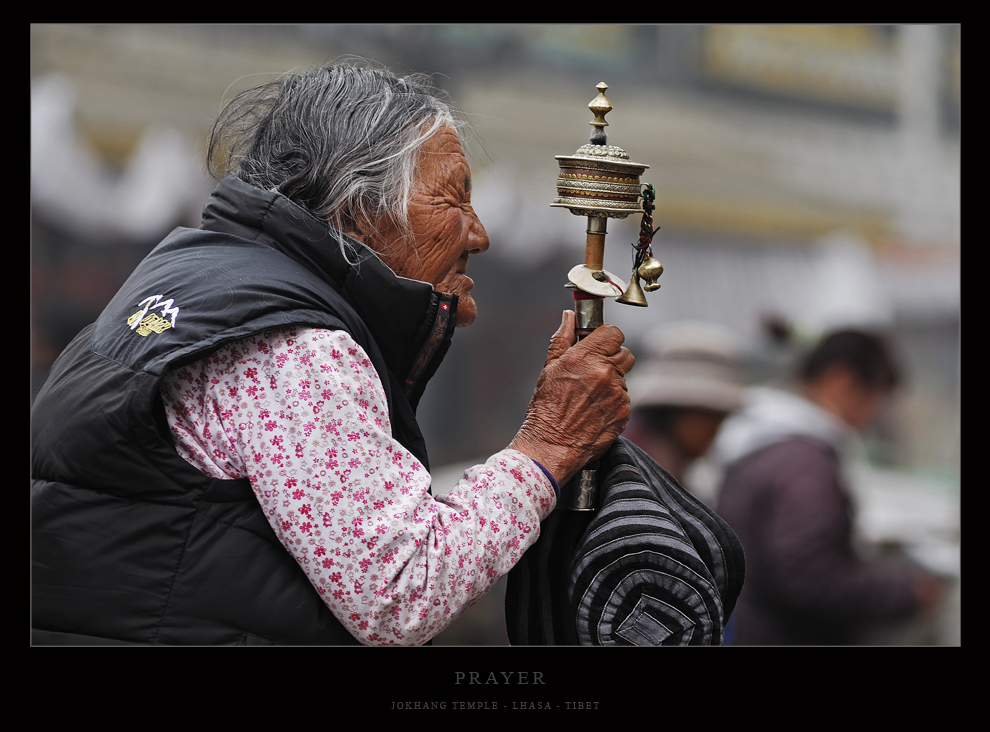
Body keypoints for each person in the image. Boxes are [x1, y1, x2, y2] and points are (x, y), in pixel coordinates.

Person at [31, 62, 634, 646]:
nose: (479, 234)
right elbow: (400, 591)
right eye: (454, 199)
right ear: (358, 211)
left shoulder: (195, 277)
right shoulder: (296, 347)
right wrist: (547, 446)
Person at [714, 327, 941, 645]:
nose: (871, 417)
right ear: (842, 381)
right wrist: (907, 594)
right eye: (874, 399)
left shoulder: (758, 437)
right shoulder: (804, 462)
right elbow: (807, 575)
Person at [623, 321, 745, 498]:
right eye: (713, 416)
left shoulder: (666, 468)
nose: (717, 429)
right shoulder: (640, 476)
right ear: (677, 412)